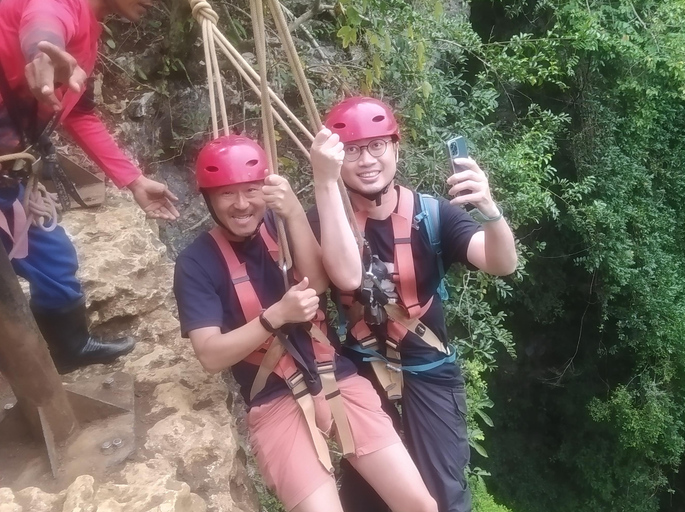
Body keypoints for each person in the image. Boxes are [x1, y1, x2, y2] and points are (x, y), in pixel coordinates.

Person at [173, 133, 437, 512]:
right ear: (209, 199)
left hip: (335, 377)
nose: (242, 204)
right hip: (274, 398)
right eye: (227, 194)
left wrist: (295, 213)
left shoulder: (282, 227)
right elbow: (211, 356)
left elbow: (321, 282)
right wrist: (274, 317)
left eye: (251, 189)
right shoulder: (196, 263)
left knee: (420, 505)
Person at [310, 96, 518, 512]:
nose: (366, 160)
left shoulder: (432, 215)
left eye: (376, 146)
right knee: (367, 498)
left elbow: (501, 262)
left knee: (443, 494)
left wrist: (491, 212)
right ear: (335, 158)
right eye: (351, 150)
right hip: (361, 374)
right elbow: (337, 278)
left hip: (430, 370)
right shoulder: (323, 222)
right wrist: (324, 184)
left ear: (395, 150)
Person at [0, 0, 180, 372]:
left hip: (9, 171)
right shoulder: (63, 5)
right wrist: (43, 54)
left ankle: (69, 347)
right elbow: (43, 22)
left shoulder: (89, 32)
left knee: (52, 256)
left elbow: (79, 114)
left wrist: (133, 180)